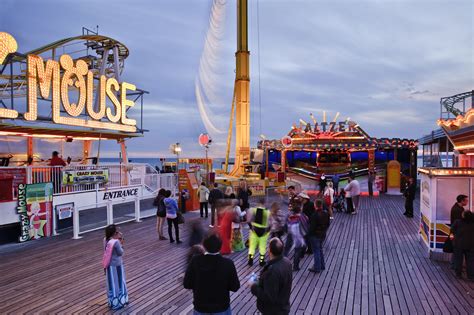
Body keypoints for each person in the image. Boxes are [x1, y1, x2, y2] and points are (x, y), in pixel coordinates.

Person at [184, 232, 241, 314]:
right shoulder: (228, 263)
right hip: (221, 308)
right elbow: (235, 287)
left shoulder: (195, 261)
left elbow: (187, 284)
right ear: (220, 247)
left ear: (203, 246)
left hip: (201, 307)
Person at [249, 238, 292, 315]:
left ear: (270, 250)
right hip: (283, 306)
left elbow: (268, 297)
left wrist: (253, 286)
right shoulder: (287, 262)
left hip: (273, 311)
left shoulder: (273, 271)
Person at [103, 224, 128, 310]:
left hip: (109, 265)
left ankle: (112, 301)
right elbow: (120, 252)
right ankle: (120, 301)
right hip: (117, 264)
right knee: (120, 282)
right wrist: (121, 244)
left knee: (111, 283)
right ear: (114, 233)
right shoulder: (116, 242)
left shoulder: (105, 240)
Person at [308, 199, 330, 273]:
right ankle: (322, 265)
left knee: (316, 251)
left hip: (315, 235)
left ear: (315, 205)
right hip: (322, 235)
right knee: (320, 250)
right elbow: (328, 224)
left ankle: (317, 267)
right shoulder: (326, 213)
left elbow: (312, 228)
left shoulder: (314, 215)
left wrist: (309, 235)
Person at [451, 211, 474, 280]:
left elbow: (452, 230)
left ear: (463, 216)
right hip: (471, 244)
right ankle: (471, 276)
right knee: (470, 261)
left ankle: (458, 274)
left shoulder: (458, 222)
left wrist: (452, 238)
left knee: (458, 260)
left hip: (459, 244)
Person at [248, 198, 271, 266]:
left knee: (252, 246)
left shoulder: (253, 210)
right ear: (264, 203)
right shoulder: (268, 212)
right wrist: (268, 231)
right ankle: (261, 261)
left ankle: (250, 260)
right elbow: (270, 223)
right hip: (263, 231)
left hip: (254, 230)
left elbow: (248, 220)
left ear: (258, 203)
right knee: (262, 247)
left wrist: (251, 227)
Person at [286, 205, 308, 271]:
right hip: (300, 235)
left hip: (293, 234)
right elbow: (306, 223)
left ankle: (287, 261)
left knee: (294, 249)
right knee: (298, 251)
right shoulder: (301, 216)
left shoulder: (291, 217)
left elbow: (288, 225)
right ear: (299, 210)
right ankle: (295, 266)